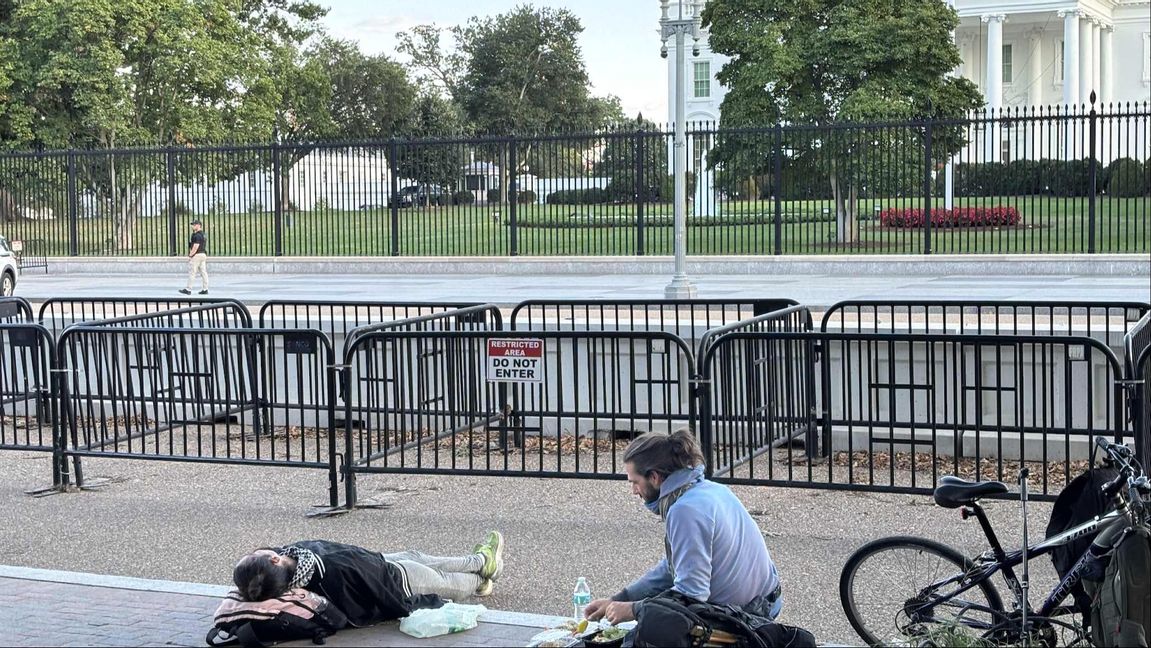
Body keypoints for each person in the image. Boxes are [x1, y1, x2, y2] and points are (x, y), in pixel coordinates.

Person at [584, 431, 782, 627]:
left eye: (635, 482)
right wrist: (621, 599)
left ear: (654, 477)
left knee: (644, 632)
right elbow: (677, 568)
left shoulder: (685, 510)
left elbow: (691, 594)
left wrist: (634, 610)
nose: (634, 491)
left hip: (749, 616)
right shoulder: (709, 489)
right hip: (766, 600)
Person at [232, 531, 504, 627]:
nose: (256, 549)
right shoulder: (327, 570)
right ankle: (481, 578)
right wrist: (422, 602)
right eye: (253, 555)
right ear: (273, 560)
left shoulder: (290, 564)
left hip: (378, 562)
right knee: (443, 580)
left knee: (419, 556)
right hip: (394, 581)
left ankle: (481, 561)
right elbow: (378, 593)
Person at [179, 218, 208, 295]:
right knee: (203, 272)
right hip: (203, 254)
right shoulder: (203, 234)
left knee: (192, 272)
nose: (193, 226)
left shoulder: (197, 235)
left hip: (197, 255)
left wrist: (190, 255)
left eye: (194, 225)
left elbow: (195, 247)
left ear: (199, 225)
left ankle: (188, 289)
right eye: (192, 225)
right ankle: (205, 289)